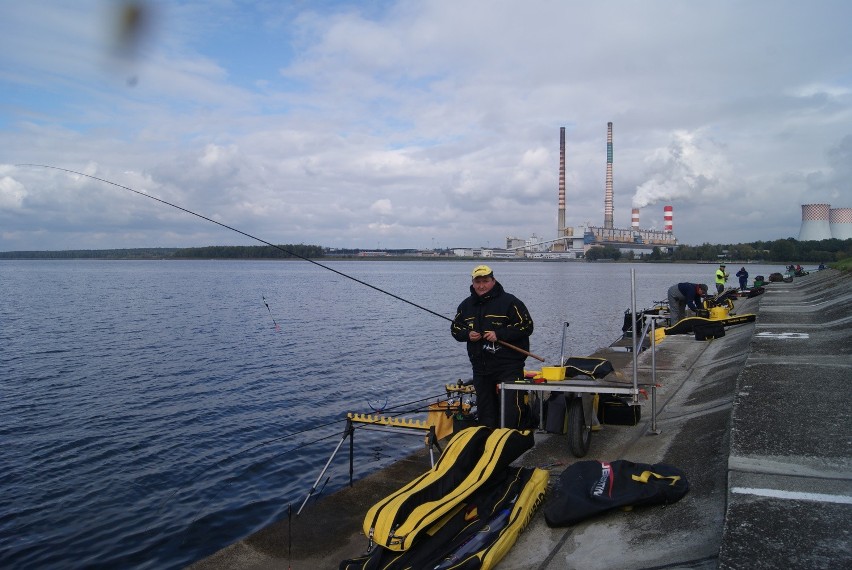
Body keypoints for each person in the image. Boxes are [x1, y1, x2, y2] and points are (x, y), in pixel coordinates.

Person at [451, 265, 534, 429]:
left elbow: (527, 326)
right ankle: (488, 443)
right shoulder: (465, 306)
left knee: (511, 411)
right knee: (485, 413)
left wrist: (500, 334)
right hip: (480, 368)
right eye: (478, 282)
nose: (481, 286)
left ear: (493, 281)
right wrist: (467, 335)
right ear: (473, 283)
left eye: (485, 281)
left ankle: (513, 442)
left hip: (508, 366)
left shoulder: (510, 302)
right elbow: (455, 329)